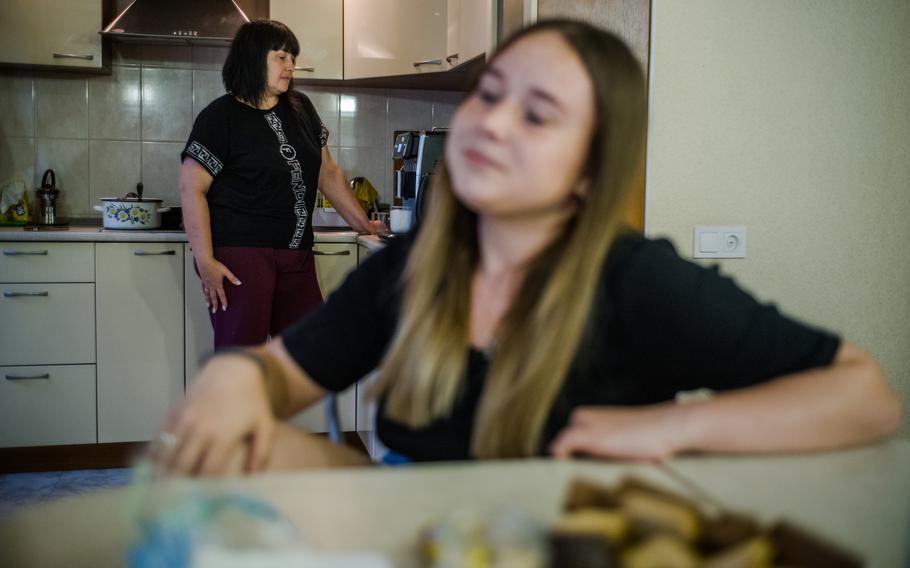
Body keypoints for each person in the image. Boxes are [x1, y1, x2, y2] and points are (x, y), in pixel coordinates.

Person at [156, 20, 900, 476]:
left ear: (587, 173)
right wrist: (238, 385)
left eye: (538, 114)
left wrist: (671, 427)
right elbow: (281, 377)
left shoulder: (636, 281)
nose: (493, 123)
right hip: (434, 534)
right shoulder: (420, 270)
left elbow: (862, 394)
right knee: (255, 455)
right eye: (492, 93)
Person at [179, 20, 385, 348]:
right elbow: (192, 188)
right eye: (281, 57)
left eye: (293, 57)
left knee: (308, 352)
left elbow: (327, 172)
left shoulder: (301, 108)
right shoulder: (221, 117)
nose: (291, 65)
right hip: (241, 257)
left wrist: (364, 224)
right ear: (253, 58)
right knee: (242, 360)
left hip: (296, 254)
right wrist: (205, 261)